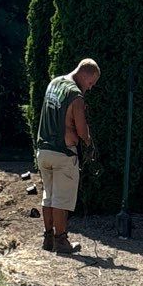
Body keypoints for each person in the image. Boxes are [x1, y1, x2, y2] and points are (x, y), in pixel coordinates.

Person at [35, 59, 98, 255]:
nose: (90, 87)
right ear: (85, 74)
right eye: (91, 83)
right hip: (64, 153)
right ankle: (61, 241)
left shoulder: (54, 83)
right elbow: (80, 130)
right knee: (61, 199)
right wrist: (89, 142)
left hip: (43, 150)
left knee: (49, 196)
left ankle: (48, 238)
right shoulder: (75, 95)